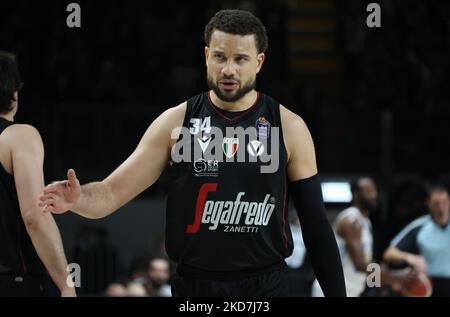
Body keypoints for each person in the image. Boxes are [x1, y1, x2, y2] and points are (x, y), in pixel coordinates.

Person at [39, 9, 345, 296]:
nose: (228, 69)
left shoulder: (289, 127)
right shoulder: (176, 122)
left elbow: (316, 227)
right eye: (220, 57)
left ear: (259, 62)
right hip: (195, 288)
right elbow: (110, 193)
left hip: (266, 288)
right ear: (206, 56)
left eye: (240, 59)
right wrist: (77, 199)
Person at [0, 51, 75, 296]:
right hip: (14, 280)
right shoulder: (19, 135)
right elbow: (34, 215)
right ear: (13, 91)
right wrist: (66, 283)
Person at [312, 177, 414, 297]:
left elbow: (367, 262)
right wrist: (395, 278)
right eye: (369, 191)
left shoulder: (364, 221)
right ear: (356, 195)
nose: (374, 195)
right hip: (331, 291)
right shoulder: (352, 221)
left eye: (375, 190)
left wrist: (380, 284)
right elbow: (360, 264)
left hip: (350, 290)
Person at [384, 184, 450, 296]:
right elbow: (389, 253)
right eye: (436, 204)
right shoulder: (419, 226)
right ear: (428, 204)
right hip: (428, 285)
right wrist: (409, 257)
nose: (441, 208)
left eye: (444, 202)